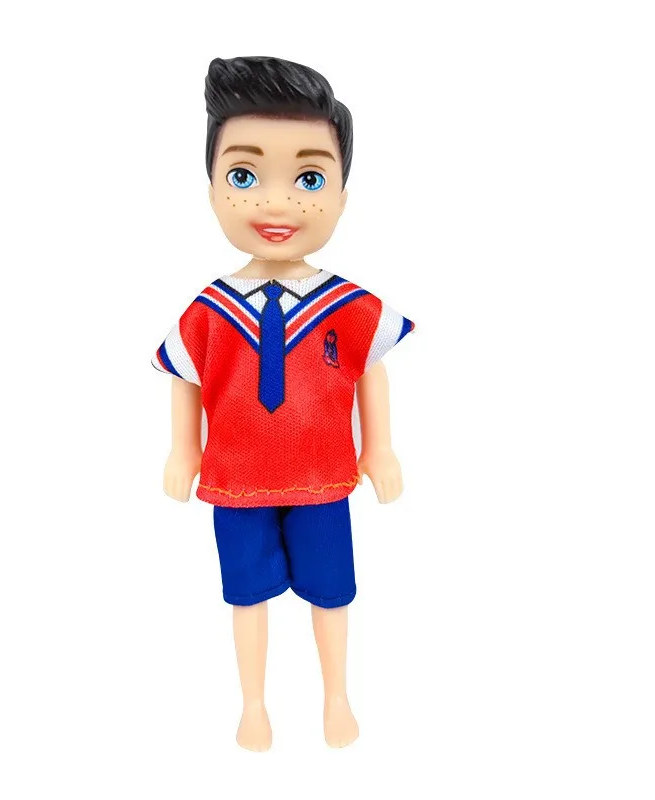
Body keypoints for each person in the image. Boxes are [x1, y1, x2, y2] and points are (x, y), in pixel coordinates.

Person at [152, 56, 414, 751]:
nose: (277, 204)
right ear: (213, 190)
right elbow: (187, 377)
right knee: (245, 595)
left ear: (342, 194)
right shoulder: (211, 308)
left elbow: (369, 370)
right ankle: (253, 705)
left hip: (324, 476)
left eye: (309, 179)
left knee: (333, 594)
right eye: (244, 176)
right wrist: (182, 450)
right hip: (235, 478)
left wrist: (379, 447)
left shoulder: (345, 303)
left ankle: (337, 697)